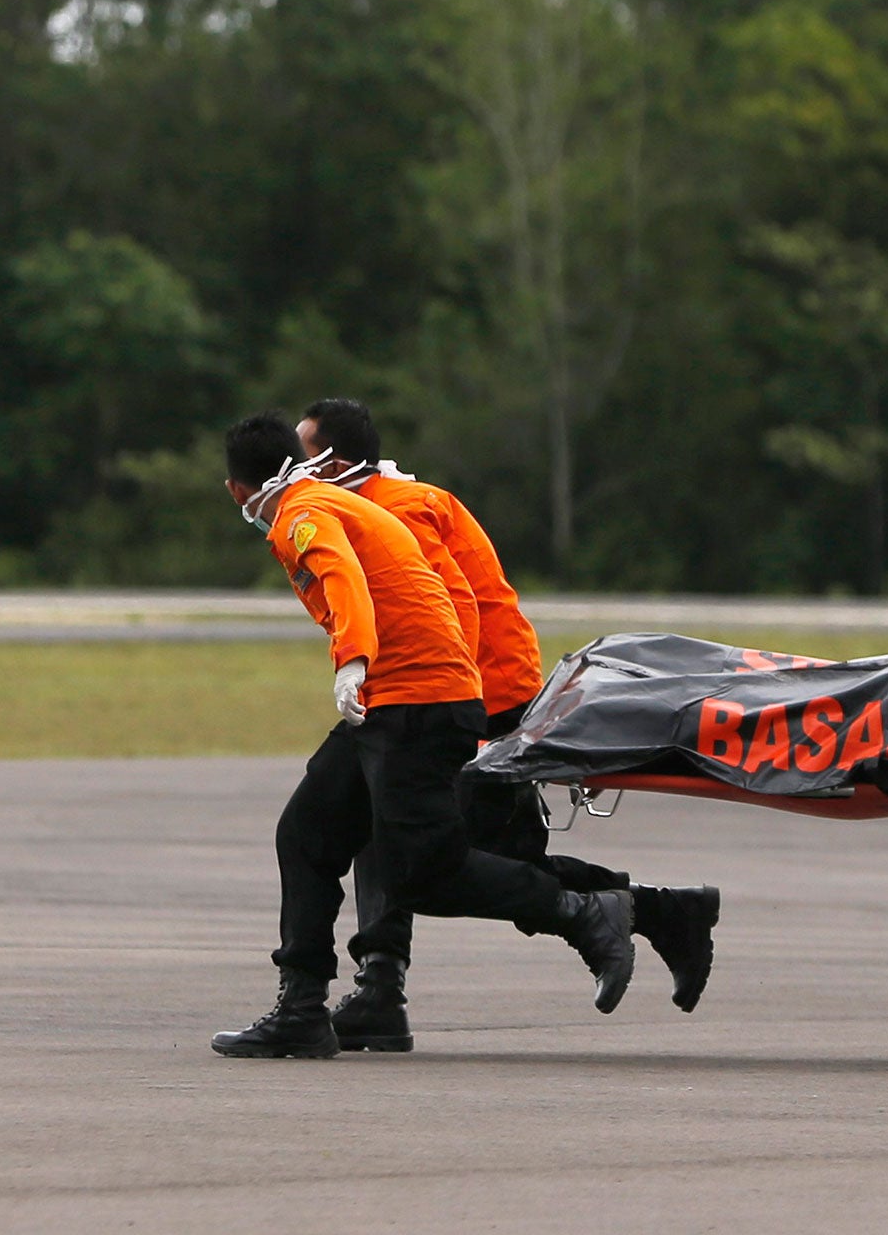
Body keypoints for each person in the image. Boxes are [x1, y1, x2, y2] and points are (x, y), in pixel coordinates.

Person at [295, 398, 721, 1051]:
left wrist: (450, 712)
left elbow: (454, 608)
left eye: (301, 461)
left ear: (337, 465)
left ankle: (659, 911)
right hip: (440, 694)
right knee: (378, 826)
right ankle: (379, 985)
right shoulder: (380, 501)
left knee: (460, 863)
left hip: (473, 698)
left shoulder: (396, 509)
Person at [212, 412, 636, 1059]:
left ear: (235, 490)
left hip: (416, 701)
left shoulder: (303, 513)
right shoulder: (325, 496)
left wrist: (352, 658)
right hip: (403, 698)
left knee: (428, 873)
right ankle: (301, 1008)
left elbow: (340, 574)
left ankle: (584, 913)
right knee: (307, 832)